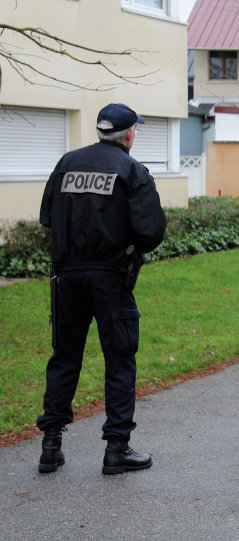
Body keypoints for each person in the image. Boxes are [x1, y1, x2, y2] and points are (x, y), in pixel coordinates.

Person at [37, 103, 167, 475]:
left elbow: (48, 217)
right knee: (120, 357)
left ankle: (50, 445)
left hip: (67, 278)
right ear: (128, 135)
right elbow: (151, 231)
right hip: (111, 278)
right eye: (135, 132)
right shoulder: (131, 170)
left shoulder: (66, 163)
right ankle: (117, 448)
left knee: (64, 357)